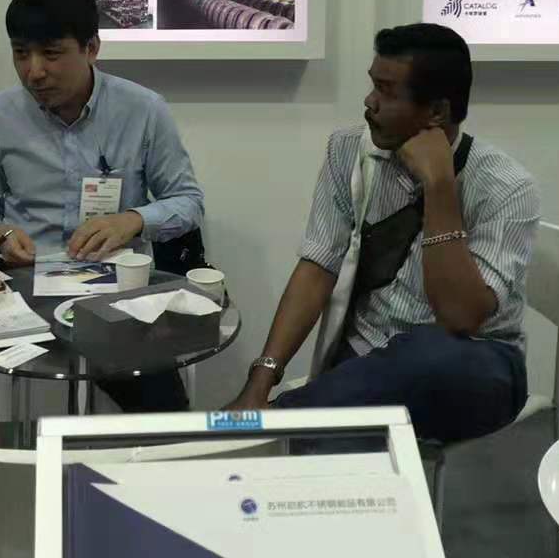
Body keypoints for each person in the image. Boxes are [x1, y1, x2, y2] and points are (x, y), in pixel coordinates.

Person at [226, 23, 540, 444]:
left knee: (426, 355)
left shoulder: (507, 187)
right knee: (352, 428)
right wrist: (260, 379)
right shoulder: (348, 152)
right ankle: (291, 428)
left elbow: (460, 317)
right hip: (370, 363)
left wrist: (439, 186)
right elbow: (317, 268)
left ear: (437, 112)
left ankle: (278, 423)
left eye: (387, 92)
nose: (369, 102)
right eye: (373, 85)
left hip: (473, 364)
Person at [0, 0, 206, 411]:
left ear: (91, 48)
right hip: (26, 290)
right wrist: (0, 234)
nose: (34, 71)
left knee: (163, 409)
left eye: (52, 54)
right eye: (21, 53)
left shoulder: (143, 110)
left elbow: (188, 202)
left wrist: (133, 220)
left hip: (116, 294)